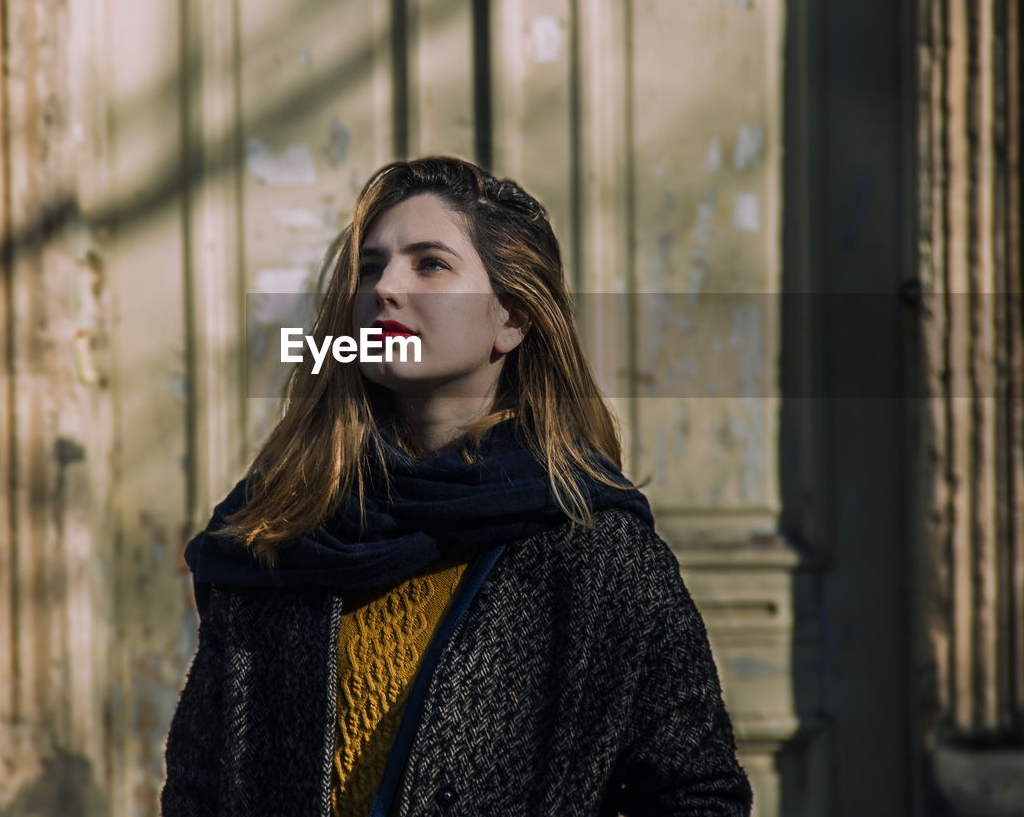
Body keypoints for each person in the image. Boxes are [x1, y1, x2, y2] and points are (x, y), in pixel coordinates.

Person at [160, 156, 753, 817]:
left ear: (513, 319)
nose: (386, 288)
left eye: (430, 264)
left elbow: (696, 795)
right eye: (370, 266)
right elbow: (200, 785)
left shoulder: (594, 550)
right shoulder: (280, 528)